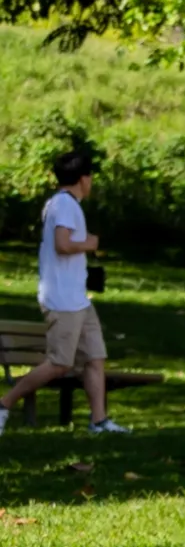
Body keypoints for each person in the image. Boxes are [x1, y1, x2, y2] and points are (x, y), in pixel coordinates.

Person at [2, 152, 125, 434]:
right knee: (59, 363)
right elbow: (63, 244)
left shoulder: (63, 204)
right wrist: (90, 243)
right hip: (63, 301)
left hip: (78, 299)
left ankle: (99, 421)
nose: (92, 181)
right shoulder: (64, 205)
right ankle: (4, 404)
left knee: (95, 357)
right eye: (91, 176)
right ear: (83, 178)